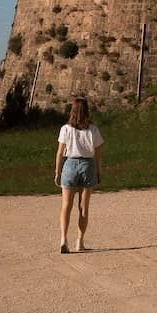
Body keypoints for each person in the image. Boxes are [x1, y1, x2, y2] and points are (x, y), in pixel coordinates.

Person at [54, 96, 104, 253]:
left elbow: (60, 152)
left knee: (66, 205)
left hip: (70, 164)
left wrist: (57, 171)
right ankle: (80, 241)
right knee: (83, 207)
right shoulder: (93, 130)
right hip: (87, 166)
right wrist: (98, 171)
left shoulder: (65, 129)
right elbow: (97, 154)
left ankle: (63, 239)